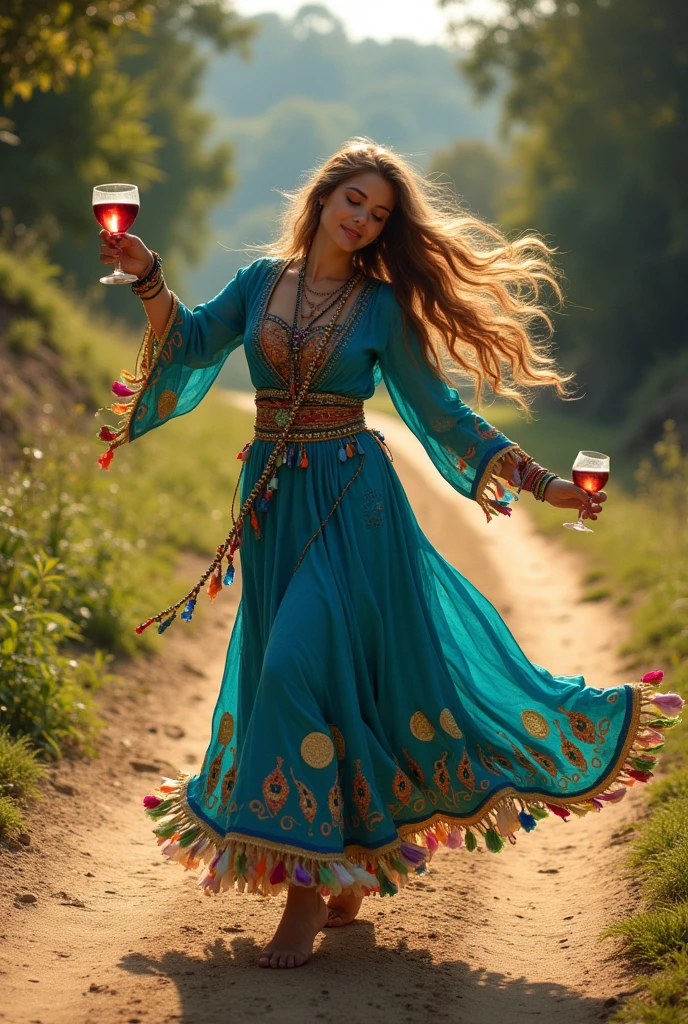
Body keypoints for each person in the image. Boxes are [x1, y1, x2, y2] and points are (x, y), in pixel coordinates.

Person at [97, 138, 683, 970]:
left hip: (352, 502)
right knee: (329, 688)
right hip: (272, 505)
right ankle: (350, 867)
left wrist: (550, 486)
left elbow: (441, 416)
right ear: (323, 196)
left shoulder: (380, 309)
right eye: (355, 203)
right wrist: (148, 274)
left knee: (292, 669)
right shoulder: (261, 282)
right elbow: (190, 343)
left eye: (378, 215)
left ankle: (302, 900)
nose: (364, 221)